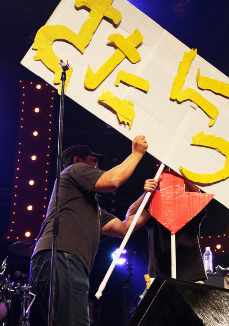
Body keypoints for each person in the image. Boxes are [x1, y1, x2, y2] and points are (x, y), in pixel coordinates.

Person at [30, 135, 157, 326]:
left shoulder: (89, 208)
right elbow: (113, 180)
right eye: (93, 161)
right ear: (77, 159)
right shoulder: (74, 169)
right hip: (63, 256)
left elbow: (124, 227)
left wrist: (151, 198)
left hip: (56, 258)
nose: (96, 167)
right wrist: (137, 153)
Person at [145, 169, 207, 283]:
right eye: (167, 186)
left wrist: (181, 173)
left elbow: (198, 196)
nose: (171, 190)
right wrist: (148, 193)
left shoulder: (190, 209)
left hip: (189, 275)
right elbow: (131, 215)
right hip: (159, 275)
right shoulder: (152, 209)